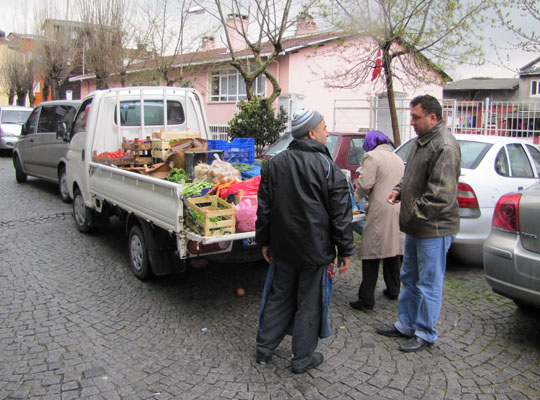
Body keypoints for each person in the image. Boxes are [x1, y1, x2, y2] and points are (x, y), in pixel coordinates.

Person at [255, 107, 355, 374]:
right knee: (309, 304)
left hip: (283, 247)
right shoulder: (329, 168)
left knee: (279, 297)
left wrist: (265, 241)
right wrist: (345, 249)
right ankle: (301, 359)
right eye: (324, 128)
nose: (327, 131)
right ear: (311, 133)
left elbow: (264, 209)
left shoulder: (274, 164)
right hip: (315, 251)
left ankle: (264, 350)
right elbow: (340, 215)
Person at [376, 95, 461, 352]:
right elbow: (411, 175)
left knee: (429, 283)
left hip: (433, 229)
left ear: (433, 118)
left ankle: (425, 332)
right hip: (416, 226)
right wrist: (400, 189)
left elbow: (439, 196)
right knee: (409, 277)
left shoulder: (444, 146)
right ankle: (406, 324)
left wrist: (411, 213)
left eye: (416, 117)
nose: (411, 122)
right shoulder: (421, 142)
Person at [349, 130, 405, 312]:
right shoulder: (396, 157)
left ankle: (366, 298)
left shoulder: (371, 156)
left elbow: (365, 184)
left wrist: (355, 198)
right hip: (397, 206)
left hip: (381, 210)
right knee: (393, 250)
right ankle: (394, 289)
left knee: (371, 252)